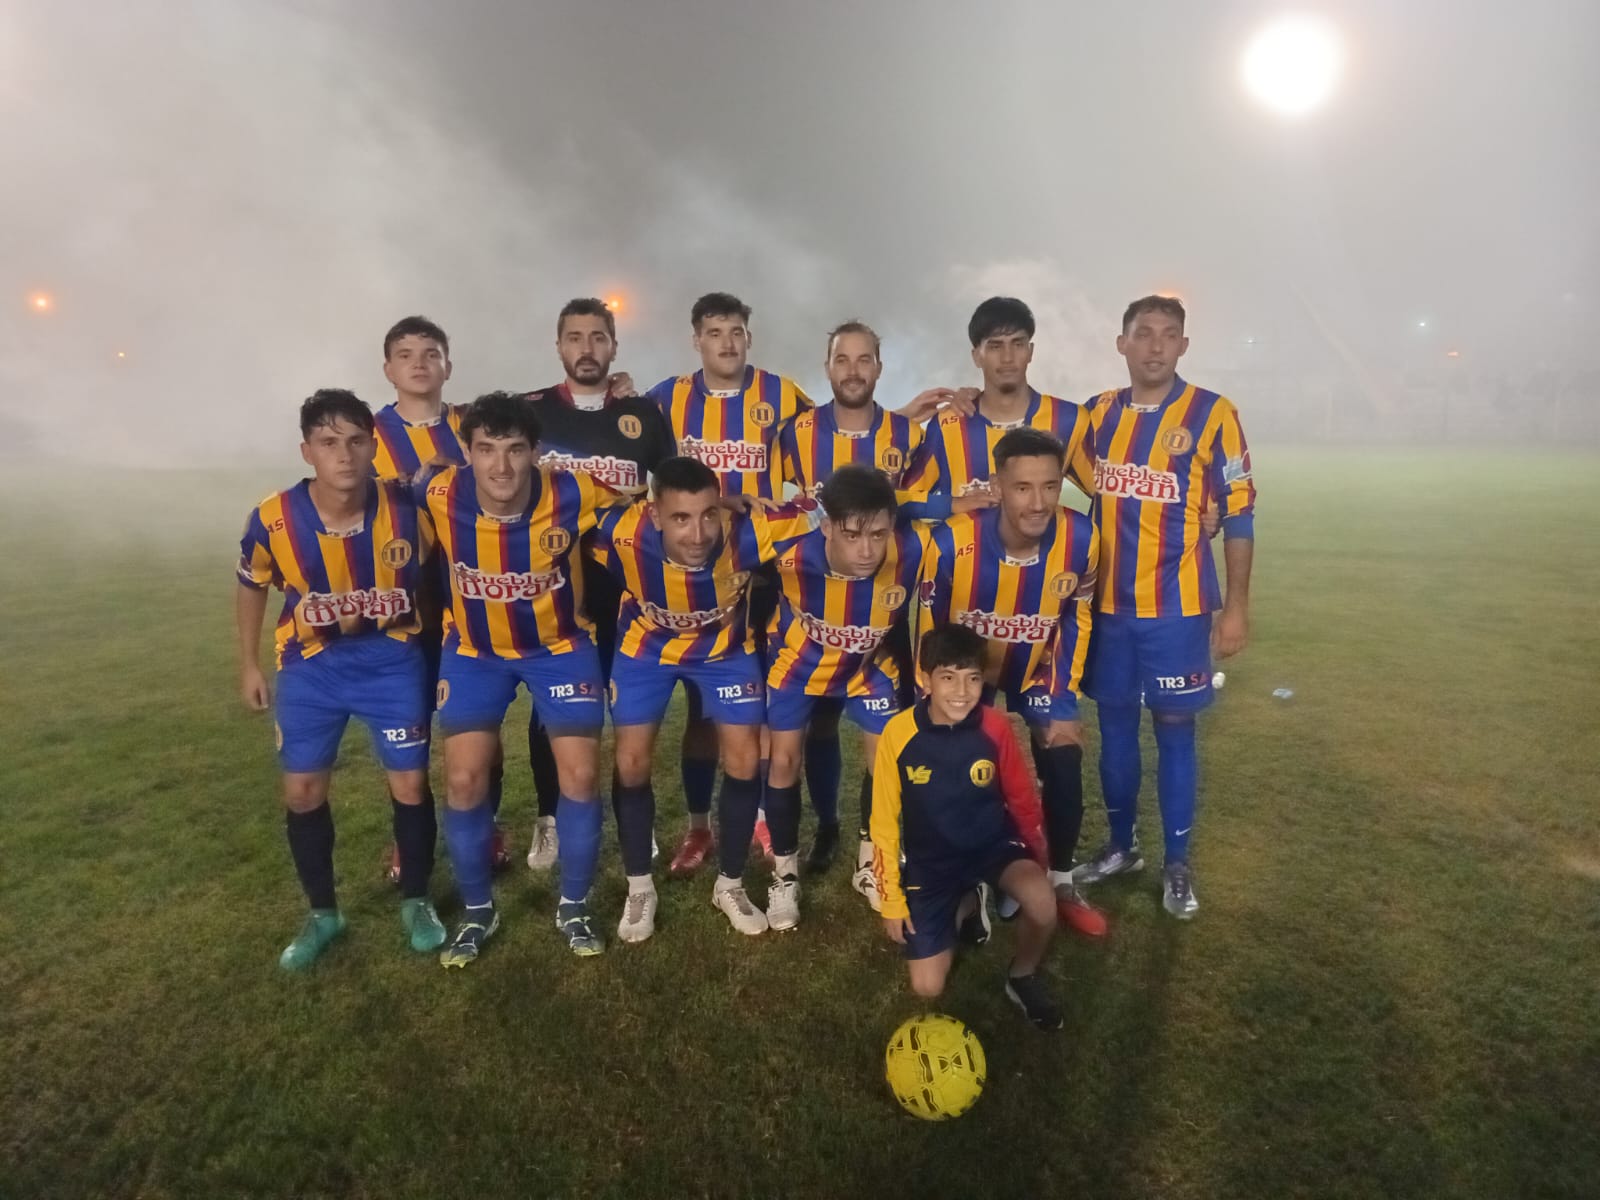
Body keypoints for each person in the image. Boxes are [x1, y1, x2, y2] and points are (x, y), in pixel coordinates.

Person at [236, 389, 444, 970]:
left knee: (408, 785)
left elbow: (441, 569)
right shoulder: (274, 517)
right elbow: (252, 583)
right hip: (312, 668)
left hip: (393, 662)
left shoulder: (409, 507)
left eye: (356, 441)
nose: (344, 455)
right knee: (303, 792)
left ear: (373, 445)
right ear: (307, 452)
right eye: (329, 443)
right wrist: (249, 663)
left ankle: (417, 900)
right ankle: (323, 914)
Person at [418, 392, 625, 965]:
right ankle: (478, 911)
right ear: (468, 452)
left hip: (559, 648)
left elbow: (650, 501)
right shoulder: (440, 492)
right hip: (473, 650)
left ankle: (575, 903)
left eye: (514, 450)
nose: (501, 466)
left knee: (580, 776)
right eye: (486, 450)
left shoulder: (572, 490)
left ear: (538, 451)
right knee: (463, 781)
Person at [1072, 295, 1256, 920]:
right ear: (1121, 343)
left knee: (1176, 729)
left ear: (1183, 345)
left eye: (1168, 335)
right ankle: (1122, 848)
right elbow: (1033, 446)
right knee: (1116, 729)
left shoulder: (1214, 414)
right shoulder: (1095, 416)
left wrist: (1236, 608)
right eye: (1143, 334)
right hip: (1108, 612)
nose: (1154, 345)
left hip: (1178, 612)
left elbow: (1239, 514)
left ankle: (1177, 862)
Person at [590, 457, 821, 941]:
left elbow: (827, 508)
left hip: (725, 654)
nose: (697, 534)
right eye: (680, 518)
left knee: (742, 760)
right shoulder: (621, 532)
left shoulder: (751, 530)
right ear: (655, 515)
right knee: (631, 762)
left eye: (707, 514)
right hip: (644, 651)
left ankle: (730, 884)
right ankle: (639, 887)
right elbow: (549, 515)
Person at [771, 321, 948, 872]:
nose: (852, 369)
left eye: (864, 359)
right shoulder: (793, 433)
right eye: (842, 360)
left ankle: (873, 853)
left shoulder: (909, 435)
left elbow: (920, 509)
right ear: (827, 368)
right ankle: (825, 825)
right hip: (812, 607)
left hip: (880, 617)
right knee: (818, 726)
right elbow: (777, 513)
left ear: (879, 367)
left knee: (883, 739)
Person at [918, 428, 1107, 938]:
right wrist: (935, 699)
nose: (1039, 501)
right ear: (999, 486)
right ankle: (970, 876)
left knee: (1064, 748)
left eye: (1050, 486)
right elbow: (930, 630)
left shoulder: (1083, 538)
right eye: (1023, 487)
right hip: (966, 674)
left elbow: (1076, 618)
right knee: (955, 762)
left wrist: (1063, 693)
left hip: (1038, 667)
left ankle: (1061, 878)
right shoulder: (952, 542)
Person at [646, 292, 814, 862]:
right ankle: (699, 826)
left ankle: (763, 817)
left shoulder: (782, 394)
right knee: (701, 710)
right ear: (696, 339)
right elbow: (626, 449)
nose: (726, 342)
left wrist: (904, 421)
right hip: (694, 574)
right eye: (714, 332)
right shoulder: (665, 398)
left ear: (749, 337)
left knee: (760, 700)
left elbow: (831, 434)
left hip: (762, 571)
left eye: (736, 331)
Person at [520, 298, 676, 870]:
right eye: (575, 338)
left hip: (629, 586)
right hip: (551, 585)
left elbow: (673, 488)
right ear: (558, 346)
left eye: (598, 338)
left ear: (614, 346)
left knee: (630, 709)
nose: (587, 349)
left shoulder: (641, 413)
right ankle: (550, 819)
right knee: (552, 709)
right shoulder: (529, 411)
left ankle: (639, 821)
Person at [369, 316, 514, 878]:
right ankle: (411, 839)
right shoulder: (368, 432)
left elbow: (538, 415)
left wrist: (619, 386)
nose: (420, 363)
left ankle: (490, 826)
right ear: (388, 369)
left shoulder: (472, 426)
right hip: (400, 603)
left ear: (448, 365)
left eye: (431, 353)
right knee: (408, 727)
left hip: (471, 599)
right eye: (406, 354)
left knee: (477, 726)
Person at [871, 625, 1063, 1031]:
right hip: (932, 862)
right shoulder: (898, 734)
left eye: (973, 678)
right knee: (927, 987)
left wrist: (1037, 858)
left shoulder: (994, 727)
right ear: (925, 680)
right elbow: (883, 822)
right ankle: (968, 902)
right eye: (948, 678)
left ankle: (1022, 976)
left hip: (992, 846)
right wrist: (891, 900)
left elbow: (1022, 799)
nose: (962, 691)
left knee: (1043, 903)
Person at [763, 466, 926, 925]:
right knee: (782, 762)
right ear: (828, 525)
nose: (867, 549)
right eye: (853, 535)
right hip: (797, 667)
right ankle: (785, 874)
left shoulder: (912, 550)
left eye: (878, 534)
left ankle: (869, 862)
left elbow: (935, 517)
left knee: (886, 761)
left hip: (867, 669)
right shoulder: (788, 548)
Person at [900, 296, 1094, 515]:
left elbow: (1111, 496)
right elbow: (899, 500)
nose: (1007, 357)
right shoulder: (948, 425)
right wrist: (952, 505)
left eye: (1017, 344)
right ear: (976, 356)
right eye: (995, 346)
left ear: (1030, 351)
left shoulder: (1070, 419)